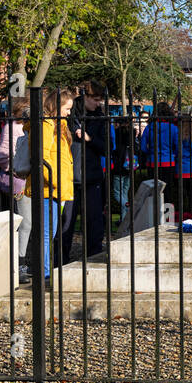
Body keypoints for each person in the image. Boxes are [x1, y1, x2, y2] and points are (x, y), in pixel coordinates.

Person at [25, 88, 74, 281]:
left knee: (49, 232)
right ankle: (43, 273)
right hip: (48, 188)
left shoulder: (58, 125)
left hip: (56, 188)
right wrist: (56, 181)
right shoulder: (46, 125)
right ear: (56, 106)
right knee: (45, 233)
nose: (69, 112)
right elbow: (41, 158)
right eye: (67, 108)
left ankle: (46, 270)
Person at [59, 81, 109, 262]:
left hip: (92, 177)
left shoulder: (100, 118)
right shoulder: (69, 115)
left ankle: (94, 258)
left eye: (100, 100)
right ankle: (60, 262)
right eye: (95, 99)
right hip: (69, 177)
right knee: (66, 223)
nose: (98, 103)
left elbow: (107, 148)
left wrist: (90, 138)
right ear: (85, 97)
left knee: (94, 223)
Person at [0, 94, 32, 283]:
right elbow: (1, 155)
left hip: (31, 183)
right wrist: (17, 165)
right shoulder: (13, 127)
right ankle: (19, 264)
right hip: (19, 181)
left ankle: (25, 261)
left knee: (30, 224)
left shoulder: (32, 126)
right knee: (25, 224)